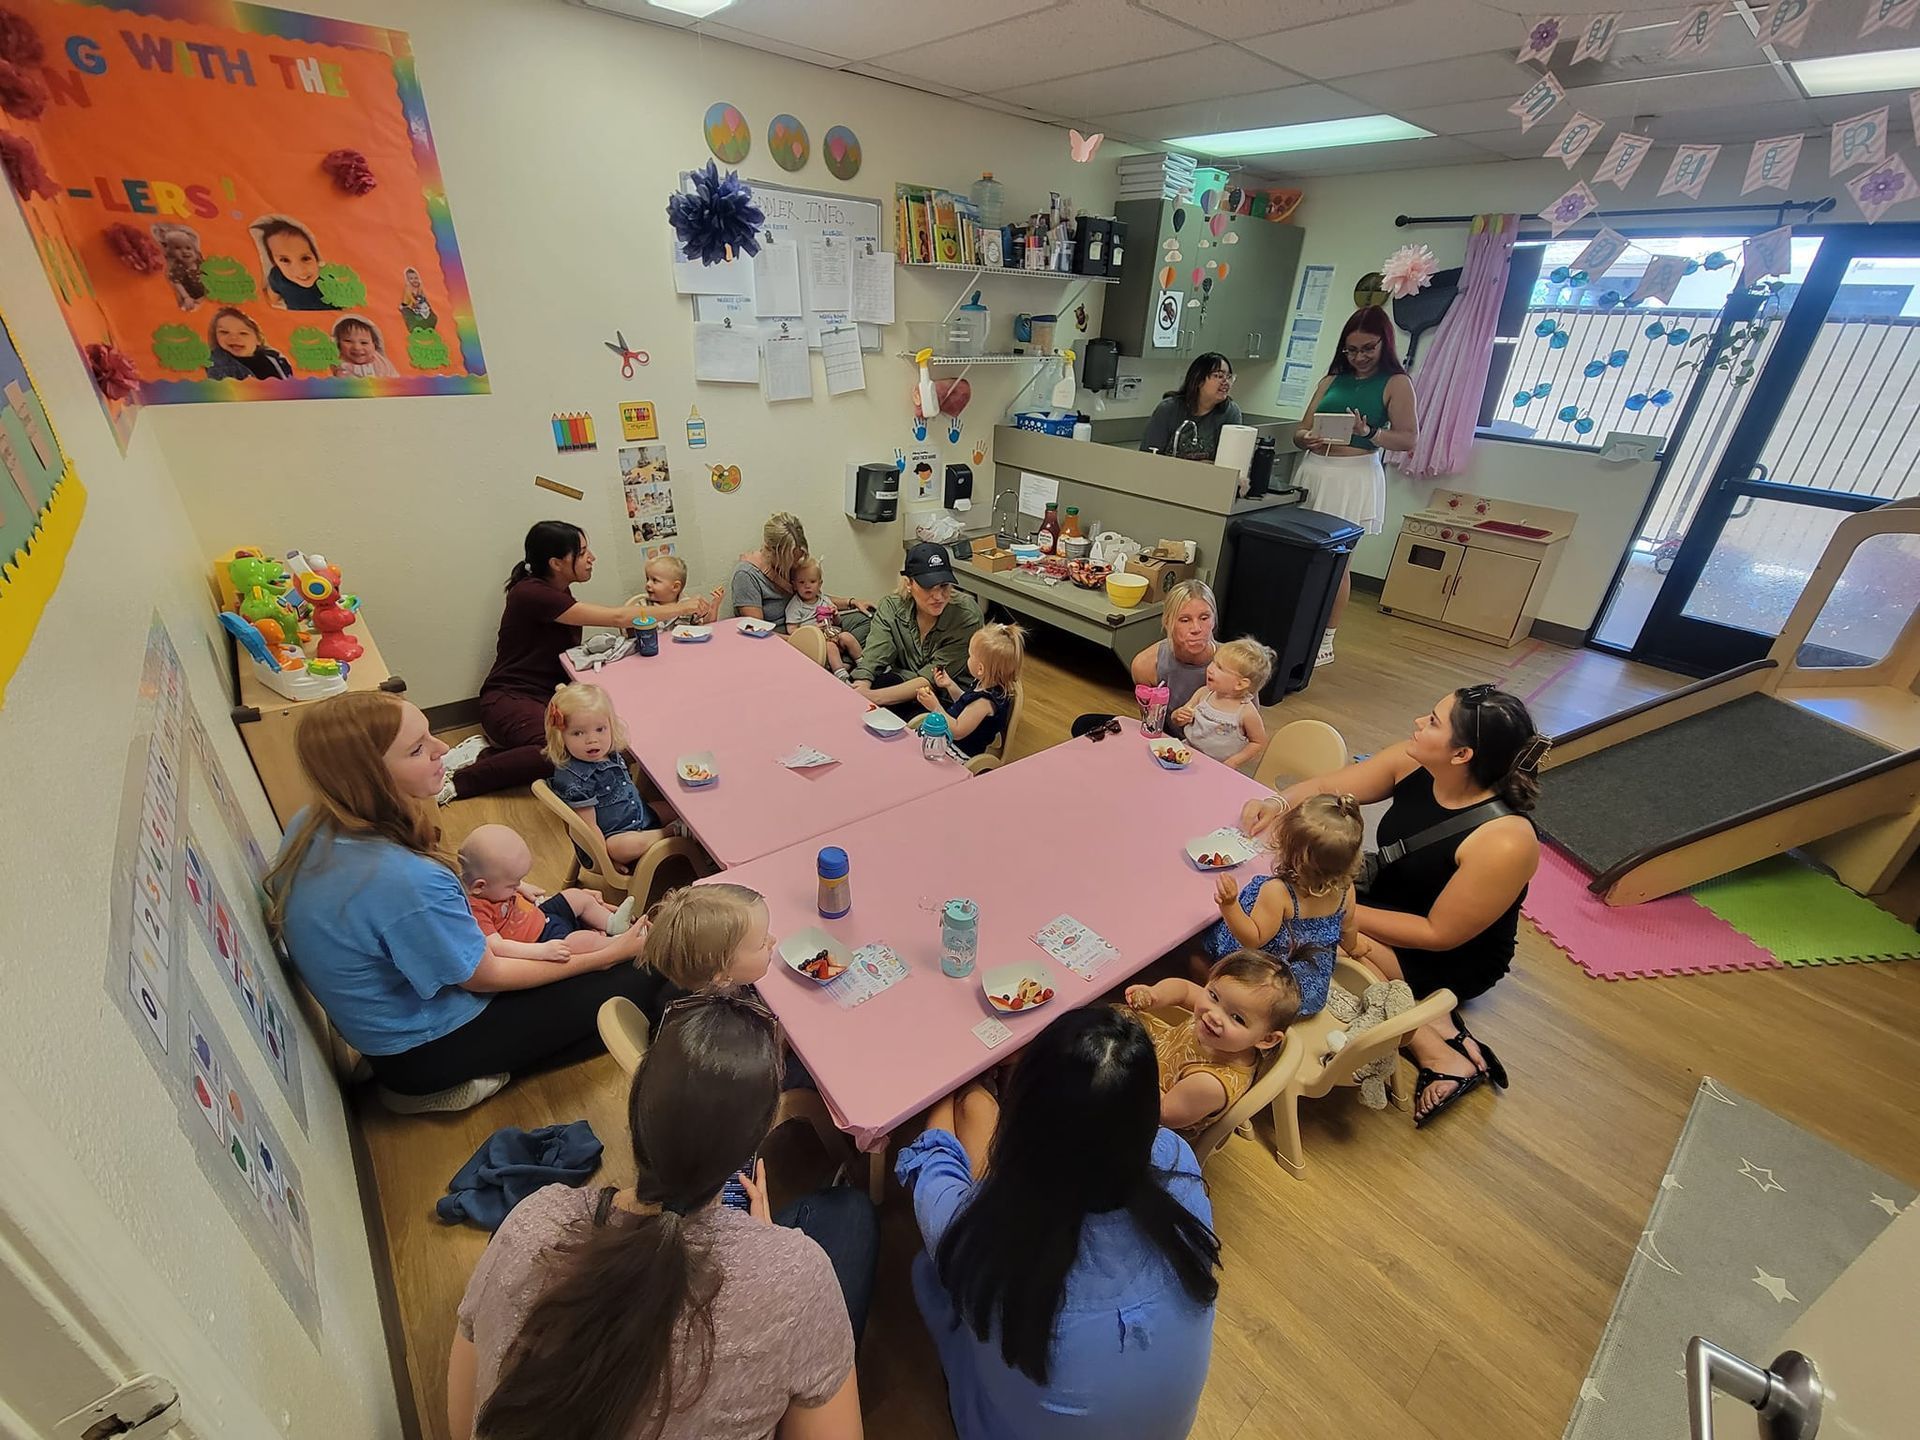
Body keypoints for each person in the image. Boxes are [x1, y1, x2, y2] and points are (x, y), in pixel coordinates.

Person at [449, 992, 876, 1440]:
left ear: (637, 1112)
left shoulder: (532, 1223)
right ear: (751, 1147)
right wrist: (770, 1254)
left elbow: (465, 1422)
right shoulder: (799, 1279)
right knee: (851, 1214)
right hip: (781, 1270)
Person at [264, 692, 657, 1114]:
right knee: (648, 978)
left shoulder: (312, 823)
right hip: (424, 1049)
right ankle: (431, 1086)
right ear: (371, 778)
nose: (443, 749)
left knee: (566, 928)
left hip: (391, 1031)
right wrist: (611, 953)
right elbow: (483, 974)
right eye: (417, 749)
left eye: (429, 736)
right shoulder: (404, 880)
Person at [895, 1007, 1219, 1440]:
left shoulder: (985, 1242)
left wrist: (953, 1087)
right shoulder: (1177, 1161)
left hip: (999, 1425)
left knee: (928, 1269)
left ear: (1023, 1121)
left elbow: (935, 1166)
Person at [1240, 685, 1548, 1126]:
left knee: (1309, 937)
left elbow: (1438, 934)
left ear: (1461, 755)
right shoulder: (1414, 760)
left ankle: (1434, 1044)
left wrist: (1327, 912)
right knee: (1298, 909)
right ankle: (1440, 1027)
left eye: (1435, 721)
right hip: (1386, 897)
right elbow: (1330, 787)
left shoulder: (1506, 840)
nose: (1419, 722)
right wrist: (1276, 803)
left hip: (1450, 954)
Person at [450, 523, 715, 801]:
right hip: (509, 699)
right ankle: (462, 779)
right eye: (583, 553)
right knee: (562, 751)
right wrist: (681, 607)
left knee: (607, 735)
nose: (592, 558)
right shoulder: (532, 594)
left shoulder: (557, 589)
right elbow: (617, 618)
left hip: (551, 697)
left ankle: (490, 753)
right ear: (556, 563)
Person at [1293, 306, 1417, 667]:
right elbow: (1299, 430)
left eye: (1368, 348)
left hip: (1354, 475)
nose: (1359, 357)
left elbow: (1408, 439)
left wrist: (1370, 433)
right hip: (1316, 469)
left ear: (1385, 344)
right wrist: (1307, 438)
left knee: (1337, 561)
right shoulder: (1331, 380)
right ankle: (1297, 626)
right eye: (1351, 350)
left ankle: (1326, 638)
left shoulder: (1396, 382)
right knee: (1301, 555)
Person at [1202, 793, 1364, 1018]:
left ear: (1292, 853)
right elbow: (1348, 928)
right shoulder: (1346, 890)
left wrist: (1229, 905)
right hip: (1307, 994)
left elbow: (1252, 939)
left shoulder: (1279, 892)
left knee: (1196, 947)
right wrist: (1354, 948)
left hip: (1264, 991)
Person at [1125, 951, 1300, 1134]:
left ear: (1267, 1039)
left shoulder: (1210, 1083)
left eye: (1237, 1018)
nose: (1214, 1015)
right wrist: (1155, 995)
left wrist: (1126, 1066)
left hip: (1149, 1114)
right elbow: (1184, 990)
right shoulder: (1222, 1024)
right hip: (1157, 1055)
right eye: (1214, 996)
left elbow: (1163, 1113)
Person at [545, 681, 679, 865]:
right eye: (578, 733)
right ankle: (672, 833)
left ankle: (676, 832)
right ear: (561, 737)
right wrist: (606, 862)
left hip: (641, 815)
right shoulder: (575, 780)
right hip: (613, 839)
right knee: (625, 846)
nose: (592, 740)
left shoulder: (607, 752)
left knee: (681, 809)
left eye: (600, 729)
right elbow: (589, 828)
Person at [1070, 578, 1217, 741]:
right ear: (1167, 622)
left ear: (1214, 620)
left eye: (1204, 618)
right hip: (1168, 742)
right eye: (1184, 620)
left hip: (1213, 752)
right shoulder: (1146, 665)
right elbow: (1153, 726)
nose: (1196, 629)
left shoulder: (1238, 666)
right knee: (1083, 725)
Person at [849, 543, 984, 715]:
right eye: (928, 587)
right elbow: (875, 654)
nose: (938, 596)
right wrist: (862, 685)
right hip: (905, 686)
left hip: (949, 701)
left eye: (944, 586)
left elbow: (933, 678)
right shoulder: (891, 607)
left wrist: (872, 697)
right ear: (909, 583)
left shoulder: (966, 617)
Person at [457, 823, 619, 964]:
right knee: (578, 942)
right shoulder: (476, 911)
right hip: (540, 940)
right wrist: (541, 951)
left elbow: (505, 883)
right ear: (480, 886)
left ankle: (613, 923)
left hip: (541, 913)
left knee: (576, 896)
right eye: (513, 885)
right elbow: (497, 946)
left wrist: (522, 887)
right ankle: (616, 944)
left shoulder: (490, 887)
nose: (516, 887)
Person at [630, 881, 776, 1032]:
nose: (773, 940)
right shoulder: (732, 1033)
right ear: (723, 977)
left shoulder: (692, 978)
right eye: (762, 943)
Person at [916, 622, 1025, 759]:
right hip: (949, 739)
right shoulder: (984, 684)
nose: (968, 658)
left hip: (958, 751)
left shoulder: (984, 702)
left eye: (970, 655)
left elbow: (957, 730)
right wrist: (950, 685)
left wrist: (935, 706)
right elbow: (965, 704)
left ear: (980, 669)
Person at [1176, 636, 1272, 772]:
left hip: (1219, 768)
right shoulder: (1203, 693)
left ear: (1240, 684)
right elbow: (1179, 719)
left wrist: (1234, 761)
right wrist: (1179, 716)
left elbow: (1258, 742)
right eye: (1213, 662)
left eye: (1220, 667)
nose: (1210, 668)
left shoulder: (1246, 712)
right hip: (1186, 756)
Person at [1139, 352, 1242, 460]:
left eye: (1229, 377)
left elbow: (1230, 461)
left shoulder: (1230, 413)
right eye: (1219, 376)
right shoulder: (1168, 409)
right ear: (1198, 380)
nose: (1226, 382)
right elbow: (1148, 456)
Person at [785, 557, 871, 676]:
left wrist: (835, 615)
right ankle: (841, 674)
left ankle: (864, 664)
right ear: (794, 585)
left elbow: (837, 622)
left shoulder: (823, 599)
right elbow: (792, 630)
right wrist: (814, 629)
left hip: (831, 633)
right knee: (831, 647)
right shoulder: (795, 606)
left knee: (847, 636)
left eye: (812, 581)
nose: (807, 586)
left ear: (820, 584)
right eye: (801, 582)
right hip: (815, 641)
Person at [730, 512, 810, 631]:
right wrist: (807, 639)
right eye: (790, 559)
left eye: (799, 557)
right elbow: (758, 631)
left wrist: (848, 602)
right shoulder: (747, 575)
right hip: (780, 638)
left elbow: (813, 594)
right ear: (772, 551)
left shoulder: (795, 562)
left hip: (809, 623)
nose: (796, 564)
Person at [252, 216, 336, 311]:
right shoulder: (277, 276)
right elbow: (272, 299)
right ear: (274, 262)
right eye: (285, 260)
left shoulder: (330, 277)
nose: (300, 270)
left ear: (316, 257)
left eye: (305, 258)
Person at [205, 307, 293, 381]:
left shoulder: (276, 358)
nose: (233, 338)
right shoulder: (216, 363)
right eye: (224, 332)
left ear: (258, 338)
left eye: (243, 333)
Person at [331, 315, 399, 377]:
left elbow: (395, 378)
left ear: (374, 345)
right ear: (338, 343)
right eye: (348, 341)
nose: (357, 347)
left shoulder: (381, 362)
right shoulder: (342, 366)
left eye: (364, 343)